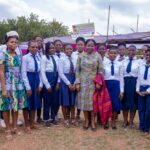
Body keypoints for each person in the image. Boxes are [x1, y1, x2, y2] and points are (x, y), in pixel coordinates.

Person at [0, 35, 28, 139]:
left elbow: (20, 70)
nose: (14, 44)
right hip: (7, 84)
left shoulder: (18, 54)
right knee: (6, 107)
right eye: (11, 42)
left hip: (17, 84)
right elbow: (1, 72)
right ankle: (7, 129)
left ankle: (14, 127)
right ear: (6, 43)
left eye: (16, 42)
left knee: (16, 106)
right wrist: (3, 88)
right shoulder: (3, 54)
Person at [75, 39, 103, 131]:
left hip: (93, 84)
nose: (90, 47)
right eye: (88, 45)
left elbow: (100, 71)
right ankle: (86, 121)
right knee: (84, 103)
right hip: (83, 84)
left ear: (94, 46)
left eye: (92, 45)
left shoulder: (98, 56)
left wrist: (99, 82)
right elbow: (77, 70)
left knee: (93, 103)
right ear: (85, 46)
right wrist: (78, 82)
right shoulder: (80, 56)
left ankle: (92, 122)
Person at [22, 40, 43, 131]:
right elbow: (23, 73)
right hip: (29, 79)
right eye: (32, 47)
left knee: (35, 102)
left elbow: (41, 72)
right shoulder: (25, 58)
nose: (35, 48)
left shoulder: (39, 57)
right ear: (28, 47)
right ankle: (26, 124)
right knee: (27, 103)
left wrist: (40, 85)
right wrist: (28, 87)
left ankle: (32, 123)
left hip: (36, 79)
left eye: (36, 47)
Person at [103, 47, 124, 129]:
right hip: (107, 85)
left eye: (115, 53)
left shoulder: (119, 64)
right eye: (111, 53)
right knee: (107, 104)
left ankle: (113, 121)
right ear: (108, 54)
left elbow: (121, 78)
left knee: (115, 104)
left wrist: (122, 91)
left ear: (117, 54)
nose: (113, 54)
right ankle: (106, 121)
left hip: (116, 85)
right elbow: (102, 76)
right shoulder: (104, 63)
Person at [41, 42, 60, 127]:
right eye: (50, 48)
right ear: (47, 49)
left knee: (54, 100)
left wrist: (58, 82)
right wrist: (47, 85)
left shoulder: (57, 57)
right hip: (48, 78)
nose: (52, 49)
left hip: (55, 78)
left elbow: (59, 71)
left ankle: (53, 117)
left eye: (53, 48)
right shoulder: (44, 57)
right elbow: (42, 72)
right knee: (47, 101)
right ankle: (46, 119)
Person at [58, 44, 76, 127]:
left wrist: (74, 83)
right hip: (65, 82)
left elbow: (77, 72)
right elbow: (60, 73)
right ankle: (65, 119)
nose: (69, 50)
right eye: (67, 49)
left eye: (70, 49)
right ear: (64, 50)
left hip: (73, 80)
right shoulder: (61, 59)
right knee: (65, 101)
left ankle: (73, 118)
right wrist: (68, 83)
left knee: (72, 101)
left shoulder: (75, 58)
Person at [122, 45, 139, 128]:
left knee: (133, 103)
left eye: (133, 50)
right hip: (125, 83)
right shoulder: (123, 61)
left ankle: (131, 121)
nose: (131, 52)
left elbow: (139, 76)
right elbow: (121, 75)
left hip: (134, 83)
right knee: (125, 102)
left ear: (135, 51)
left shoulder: (139, 62)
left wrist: (137, 87)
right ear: (127, 51)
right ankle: (125, 121)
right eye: (129, 50)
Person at [136, 49, 150, 134]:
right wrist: (138, 90)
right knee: (141, 109)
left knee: (148, 110)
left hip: (149, 90)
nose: (148, 57)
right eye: (147, 55)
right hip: (141, 89)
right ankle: (141, 126)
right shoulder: (141, 66)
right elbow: (138, 78)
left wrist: (147, 91)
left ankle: (146, 127)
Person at [72, 37, 85, 121]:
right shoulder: (72, 54)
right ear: (76, 45)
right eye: (78, 44)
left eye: (82, 45)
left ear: (84, 45)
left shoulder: (87, 55)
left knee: (80, 96)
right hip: (72, 77)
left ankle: (78, 114)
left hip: (83, 78)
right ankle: (72, 114)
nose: (80, 46)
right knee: (73, 96)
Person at [33, 36, 45, 123]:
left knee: (41, 97)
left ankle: (39, 116)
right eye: (37, 41)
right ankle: (34, 117)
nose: (39, 42)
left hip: (45, 77)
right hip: (37, 77)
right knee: (37, 96)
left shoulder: (45, 52)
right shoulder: (33, 54)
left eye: (41, 40)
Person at [54, 39, 65, 121]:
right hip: (53, 78)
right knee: (53, 97)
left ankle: (55, 114)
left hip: (62, 78)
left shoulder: (64, 55)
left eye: (59, 45)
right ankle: (52, 114)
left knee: (59, 98)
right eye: (56, 45)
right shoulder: (50, 55)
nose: (58, 46)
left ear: (62, 46)